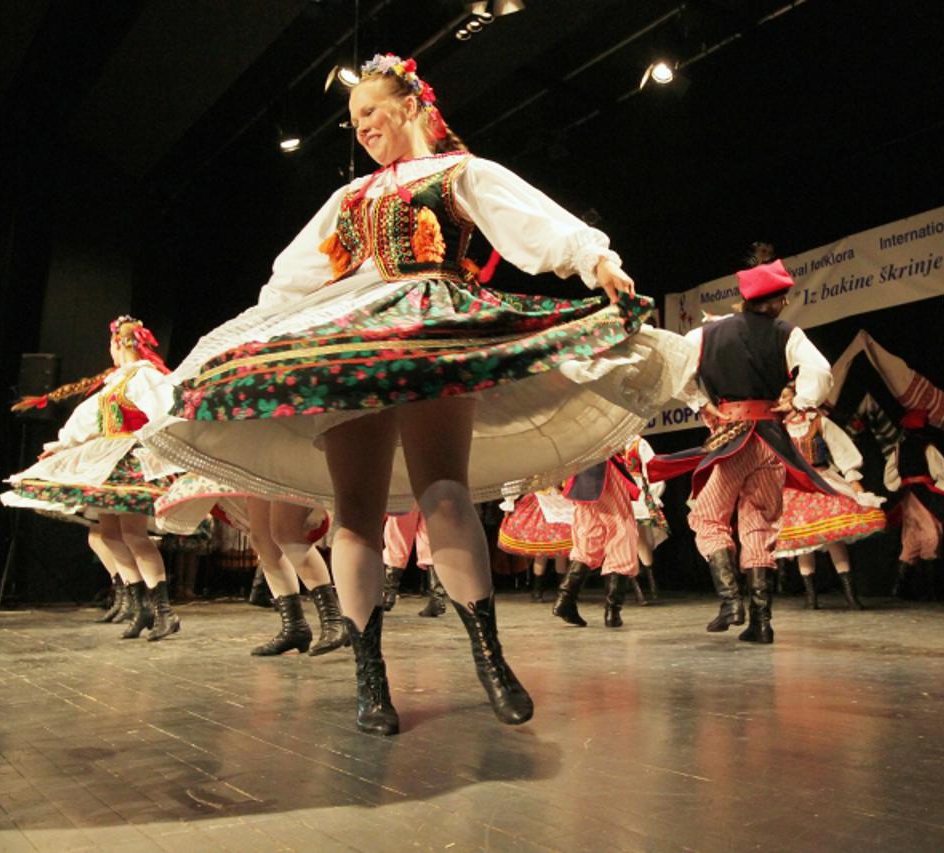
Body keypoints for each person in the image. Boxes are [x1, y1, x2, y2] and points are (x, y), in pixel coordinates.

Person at [141, 54, 694, 734]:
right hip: (360, 341)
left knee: (445, 493)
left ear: (409, 107)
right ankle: (370, 678)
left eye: (369, 111)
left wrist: (597, 262)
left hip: (436, 326)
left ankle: (490, 657)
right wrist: (254, 330)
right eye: (352, 120)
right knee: (356, 508)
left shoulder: (458, 173)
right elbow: (293, 275)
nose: (361, 127)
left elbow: (531, 221)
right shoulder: (348, 199)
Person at [647, 258, 834, 645]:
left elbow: (674, 364)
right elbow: (821, 372)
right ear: (775, 301)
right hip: (770, 439)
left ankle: (731, 600)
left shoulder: (706, 335)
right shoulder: (787, 333)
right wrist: (799, 401)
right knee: (759, 523)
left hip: (731, 437)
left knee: (707, 517)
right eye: (782, 298)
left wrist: (699, 401)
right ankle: (761, 621)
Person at [1, 317, 181, 640]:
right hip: (108, 459)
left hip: (133, 458)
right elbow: (86, 421)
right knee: (111, 535)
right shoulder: (117, 381)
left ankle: (165, 612)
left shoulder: (147, 378)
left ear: (119, 345)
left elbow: (167, 412)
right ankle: (140, 605)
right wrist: (59, 447)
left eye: (111, 345)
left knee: (134, 535)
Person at [156, 477, 349, 656]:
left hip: (282, 450)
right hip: (255, 453)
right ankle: (294, 625)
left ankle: (333, 620)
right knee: (261, 537)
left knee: (286, 531)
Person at [772, 384, 887, 610]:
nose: (782, 400)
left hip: (822, 480)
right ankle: (811, 597)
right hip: (796, 487)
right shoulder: (779, 429)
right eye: (780, 397)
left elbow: (841, 448)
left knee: (835, 538)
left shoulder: (818, 421)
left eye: (786, 396)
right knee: (803, 543)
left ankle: (850, 596)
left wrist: (854, 480)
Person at [883, 409, 944, 600]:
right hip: (924, 494)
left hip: (908, 495)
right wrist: (942, 490)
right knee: (931, 533)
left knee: (911, 535)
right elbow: (941, 472)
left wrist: (898, 487)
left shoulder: (898, 449)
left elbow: (890, 478)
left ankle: (900, 588)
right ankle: (931, 589)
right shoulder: (927, 447)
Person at [554, 456, 641, 628]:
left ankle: (565, 599)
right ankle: (612, 611)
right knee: (620, 533)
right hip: (603, 468)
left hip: (581, 474)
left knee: (588, 538)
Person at [497, 490, 572, 602]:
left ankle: (544, 591)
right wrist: (509, 502)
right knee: (552, 551)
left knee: (554, 551)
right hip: (546, 502)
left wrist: (509, 502)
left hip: (556, 501)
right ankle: (554, 591)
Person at [623, 436, 668, 601]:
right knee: (629, 540)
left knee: (638, 538)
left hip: (637, 497)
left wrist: (653, 495)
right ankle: (641, 588)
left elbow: (654, 469)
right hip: (618, 496)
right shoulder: (610, 447)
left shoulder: (637, 443)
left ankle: (648, 586)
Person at [382, 505, 447, 617]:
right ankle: (438, 598)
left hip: (406, 493)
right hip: (429, 492)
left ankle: (388, 594)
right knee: (430, 540)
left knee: (398, 539)